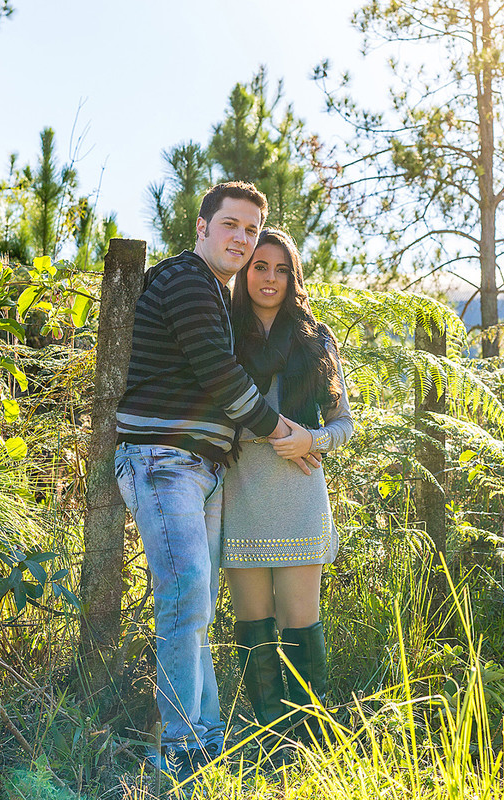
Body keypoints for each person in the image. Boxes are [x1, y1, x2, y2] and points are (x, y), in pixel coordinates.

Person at [112, 182, 315, 778]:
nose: (242, 239)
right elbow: (221, 377)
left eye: (251, 231)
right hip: (162, 458)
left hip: (199, 468)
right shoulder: (187, 281)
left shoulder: (216, 296)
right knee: (183, 598)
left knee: (195, 601)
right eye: (231, 225)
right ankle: (178, 748)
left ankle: (206, 735)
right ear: (202, 227)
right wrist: (284, 431)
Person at [219, 228, 355, 744]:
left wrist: (311, 440)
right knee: (254, 626)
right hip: (240, 490)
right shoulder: (224, 334)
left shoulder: (315, 338)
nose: (269, 278)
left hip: (299, 494)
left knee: (301, 623)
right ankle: (271, 737)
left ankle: (311, 741)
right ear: (244, 273)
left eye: (281, 269)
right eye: (259, 266)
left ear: (293, 276)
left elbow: (345, 423)